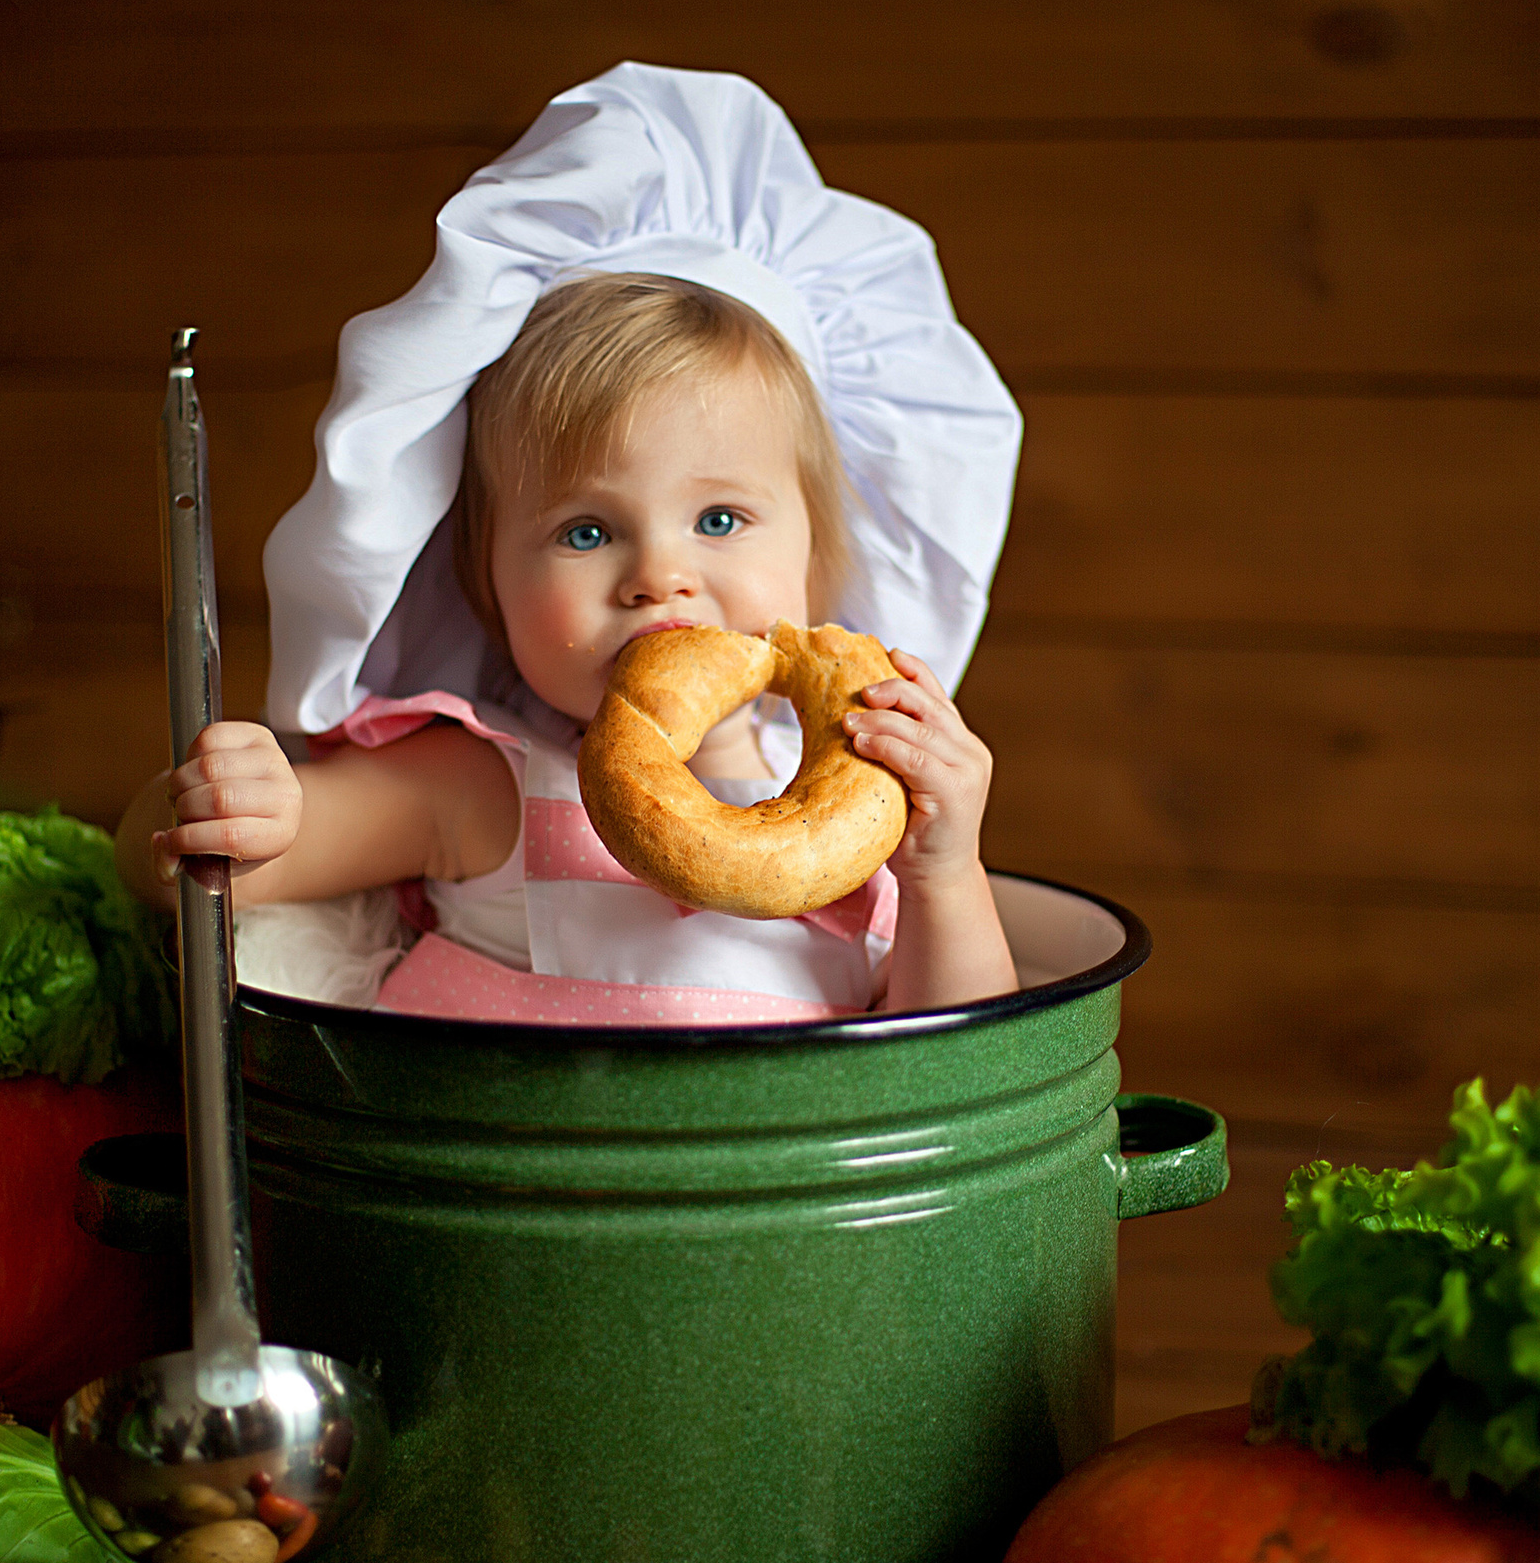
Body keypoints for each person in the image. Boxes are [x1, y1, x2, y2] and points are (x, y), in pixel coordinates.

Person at [116, 64, 1022, 1023]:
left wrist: (945, 873)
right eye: (586, 531)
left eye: (719, 519)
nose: (659, 576)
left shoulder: (863, 818)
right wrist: (240, 810)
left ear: (817, 553)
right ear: (487, 585)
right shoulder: (487, 784)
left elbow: (964, 1067)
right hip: (504, 1128)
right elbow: (184, 872)